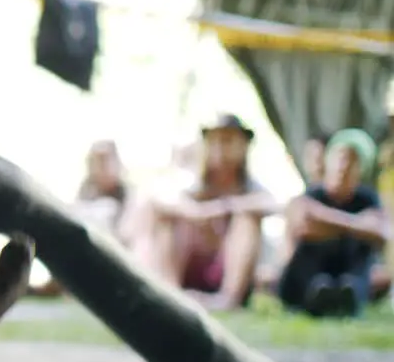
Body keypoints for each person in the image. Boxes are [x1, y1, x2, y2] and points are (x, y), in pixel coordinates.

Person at [130, 114, 277, 311]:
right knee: (166, 221)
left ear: (243, 146)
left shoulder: (251, 188)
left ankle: (228, 300)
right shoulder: (190, 184)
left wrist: (224, 208)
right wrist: (197, 213)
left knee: (246, 221)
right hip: (188, 264)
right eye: (214, 141)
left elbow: (271, 204)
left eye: (227, 141)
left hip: (225, 269)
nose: (220, 149)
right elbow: (157, 200)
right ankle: (168, 292)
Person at [277, 129, 389, 317]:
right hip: (307, 275)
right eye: (340, 157)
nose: (344, 166)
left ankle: (348, 294)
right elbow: (304, 224)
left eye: (353, 160)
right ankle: (318, 291)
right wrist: (356, 224)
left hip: (349, 271)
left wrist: (326, 223)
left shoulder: (368, 199)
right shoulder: (313, 194)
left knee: (361, 261)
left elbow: (381, 232)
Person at [71, 139, 130, 243]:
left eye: (106, 161)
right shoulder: (85, 195)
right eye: (98, 162)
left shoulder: (129, 198)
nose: (102, 168)